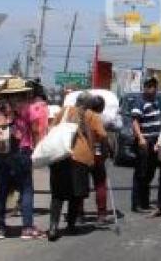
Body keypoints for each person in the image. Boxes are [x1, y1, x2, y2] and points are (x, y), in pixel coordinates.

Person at [0, 77, 43, 240]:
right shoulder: (27, 108)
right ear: (23, 92)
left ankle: (0, 229)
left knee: (1, 191)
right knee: (26, 189)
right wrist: (36, 150)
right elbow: (35, 131)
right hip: (20, 152)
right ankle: (26, 228)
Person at [48, 92, 108, 241]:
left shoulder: (65, 110)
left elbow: (52, 127)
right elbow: (103, 135)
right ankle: (71, 225)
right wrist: (103, 151)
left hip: (60, 155)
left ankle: (53, 227)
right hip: (80, 157)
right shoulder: (92, 115)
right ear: (88, 104)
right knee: (76, 193)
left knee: (57, 194)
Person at [131, 77, 161, 215]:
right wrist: (140, 138)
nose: (153, 89)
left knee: (149, 173)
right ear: (145, 88)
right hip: (144, 142)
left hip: (154, 143)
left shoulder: (155, 102)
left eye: (154, 86)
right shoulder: (139, 102)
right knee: (141, 173)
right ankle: (137, 204)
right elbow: (135, 122)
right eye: (150, 86)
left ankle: (145, 202)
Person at [87, 95, 111, 224]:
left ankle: (78, 215)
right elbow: (103, 135)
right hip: (96, 155)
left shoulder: (82, 115)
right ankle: (101, 214)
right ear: (100, 107)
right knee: (100, 184)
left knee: (82, 185)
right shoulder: (96, 117)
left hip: (82, 155)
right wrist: (105, 152)